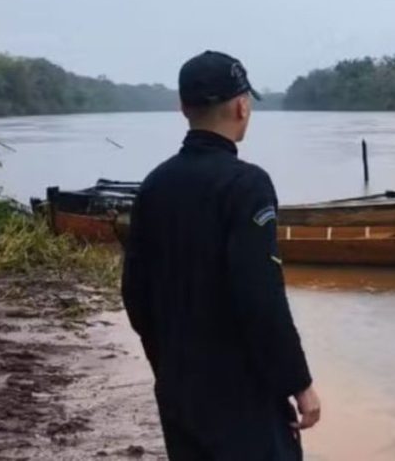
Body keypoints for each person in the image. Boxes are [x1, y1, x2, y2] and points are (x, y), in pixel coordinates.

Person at [122, 50, 320, 460]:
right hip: (241, 394)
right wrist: (298, 383)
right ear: (242, 105)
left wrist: (168, 365)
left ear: (183, 108)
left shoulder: (154, 186)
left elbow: (134, 293)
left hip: (179, 391)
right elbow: (260, 294)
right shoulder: (247, 186)